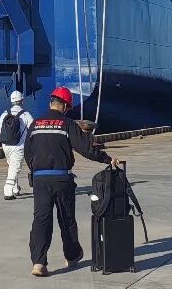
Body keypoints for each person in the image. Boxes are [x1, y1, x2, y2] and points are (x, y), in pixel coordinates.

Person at [24, 95, 118, 277]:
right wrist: (107, 159)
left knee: (41, 220)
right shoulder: (67, 124)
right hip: (61, 179)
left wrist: (36, 170)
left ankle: (38, 262)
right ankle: (72, 256)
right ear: (66, 106)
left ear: (50, 103)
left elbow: (28, 151)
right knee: (66, 219)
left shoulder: (35, 124)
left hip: (40, 179)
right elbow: (85, 148)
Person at [0, 90, 33, 200]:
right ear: (22, 101)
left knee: (12, 166)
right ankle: (8, 191)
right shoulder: (26, 115)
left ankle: (15, 188)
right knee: (15, 167)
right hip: (18, 146)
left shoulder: (5, 113)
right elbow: (33, 129)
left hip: (6, 145)